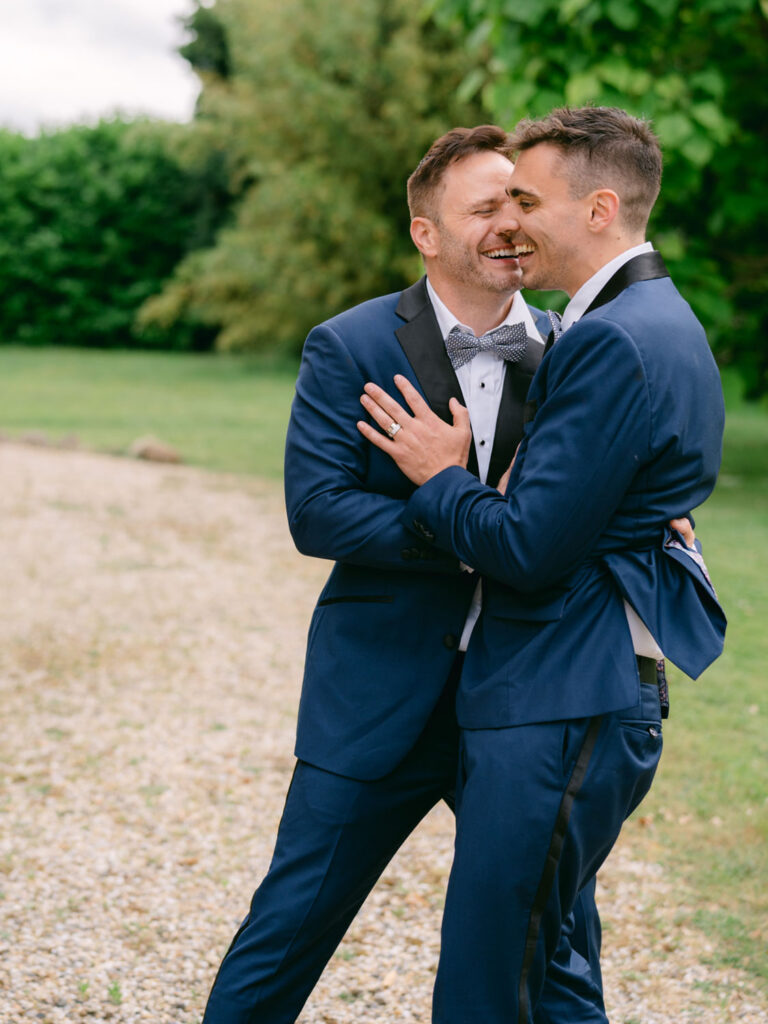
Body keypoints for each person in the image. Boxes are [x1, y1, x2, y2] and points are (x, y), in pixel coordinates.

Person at [201, 126, 608, 1024]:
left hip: (524, 697)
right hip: (378, 690)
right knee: (291, 922)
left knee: (556, 941)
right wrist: (472, 526)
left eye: (521, 203)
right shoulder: (347, 346)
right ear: (426, 233)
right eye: (485, 209)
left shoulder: (578, 352)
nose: (510, 224)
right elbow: (318, 512)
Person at [358, 106, 726, 1023]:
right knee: (550, 965)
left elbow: (524, 547)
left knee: (490, 980)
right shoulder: (656, 317)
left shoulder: (612, 337)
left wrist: (443, 479)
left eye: (528, 198)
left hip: (564, 691)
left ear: (600, 209)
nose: (510, 219)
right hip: (590, 685)